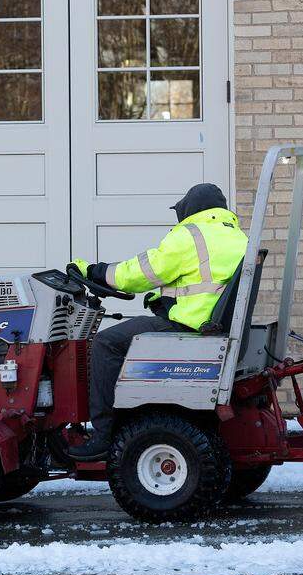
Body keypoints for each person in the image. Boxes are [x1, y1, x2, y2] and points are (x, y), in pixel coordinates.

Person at [66, 183, 248, 460]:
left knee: (105, 343)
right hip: (211, 323)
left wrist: (95, 271)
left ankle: (103, 434)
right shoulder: (238, 237)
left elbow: (141, 273)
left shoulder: (191, 235)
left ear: (191, 209)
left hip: (188, 325)